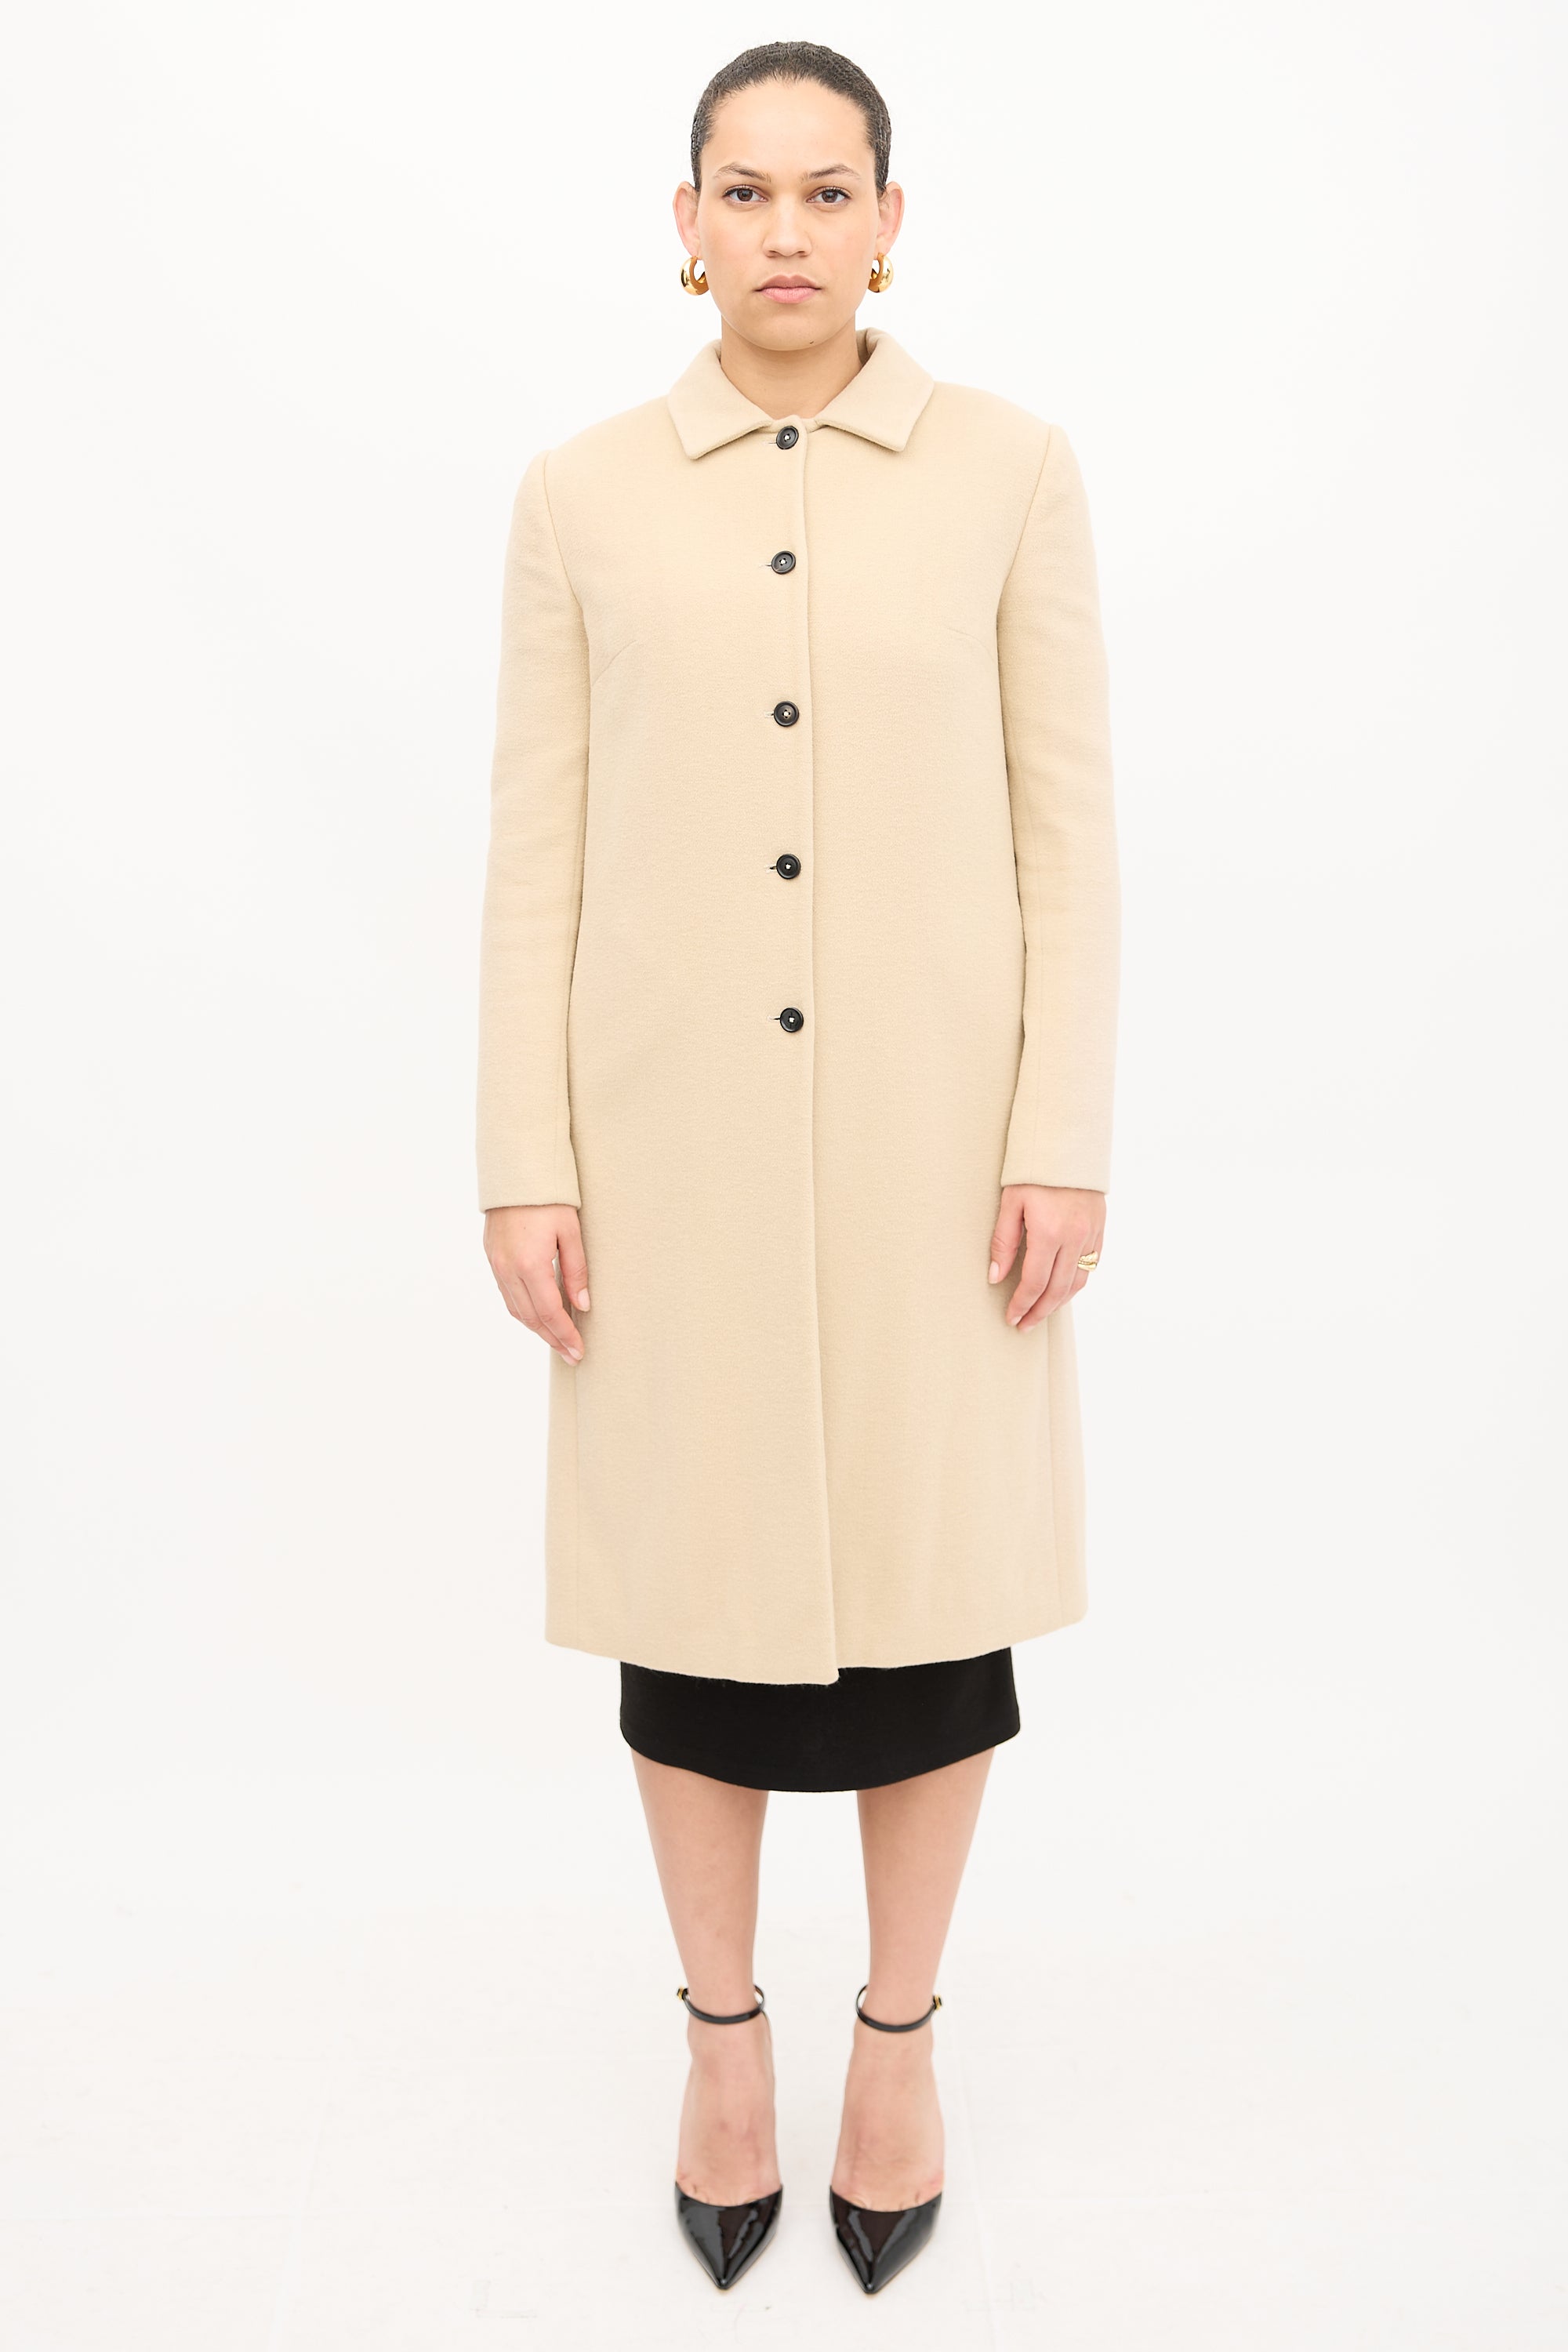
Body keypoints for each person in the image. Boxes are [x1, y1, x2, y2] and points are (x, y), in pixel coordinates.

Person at [476, 41, 1120, 2298]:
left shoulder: (1012, 473)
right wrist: (525, 1158)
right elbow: (535, 857)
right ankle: (723, 2042)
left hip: (943, 1159)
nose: (783, 232)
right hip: (667, 1163)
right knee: (695, 1620)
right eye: (742, 192)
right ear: (685, 224)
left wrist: (1060, 1134)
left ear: (889, 223)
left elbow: (1070, 835)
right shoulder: (578, 496)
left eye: (825, 191)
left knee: (936, 1614)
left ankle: (901, 2042)